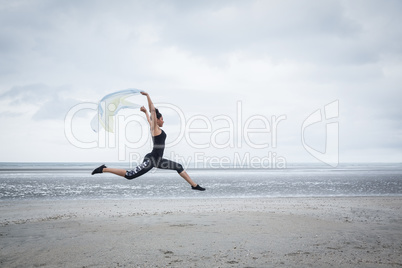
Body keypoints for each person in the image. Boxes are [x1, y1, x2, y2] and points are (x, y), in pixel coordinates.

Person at [91, 91, 206, 191]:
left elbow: (149, 119)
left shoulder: (155, 127)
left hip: (158, 160)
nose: (163, 121)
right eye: (162, 119)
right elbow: (153, 112)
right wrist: (147, 96)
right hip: (151, 160)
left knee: (179, 167)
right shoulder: (155, 128)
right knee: (130, 175)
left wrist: (145, 112)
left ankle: (194, 185)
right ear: (157, 119)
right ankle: (103, 169)